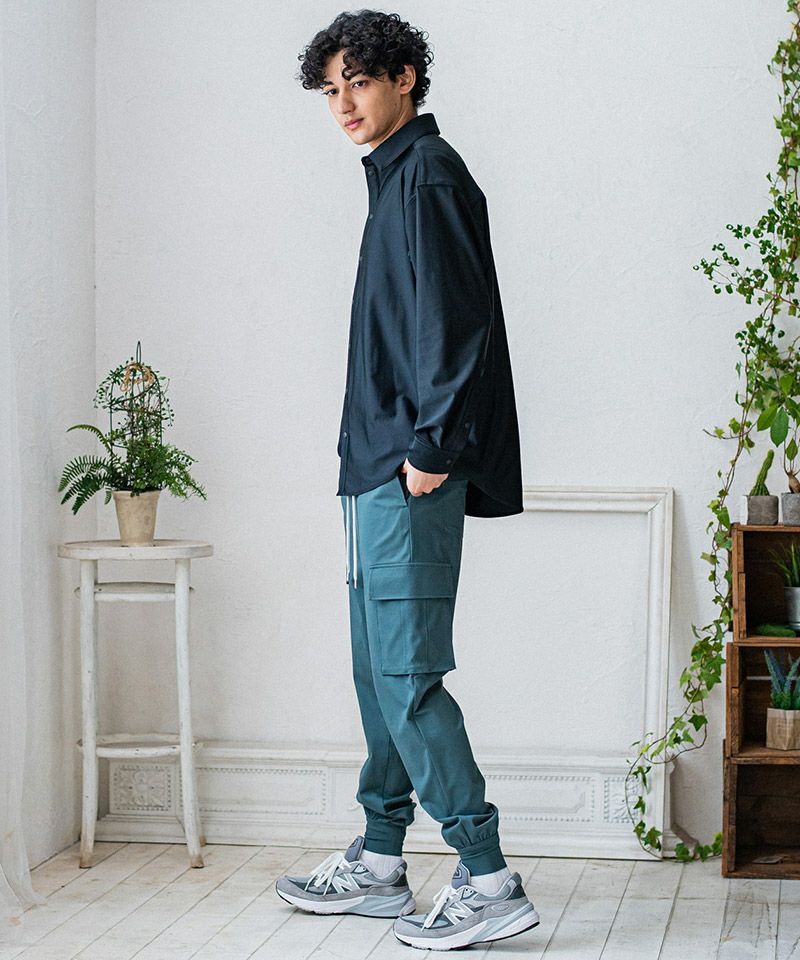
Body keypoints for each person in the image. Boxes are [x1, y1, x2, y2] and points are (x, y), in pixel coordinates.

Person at [278, 10, 539, 950]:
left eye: (360, 80)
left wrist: (432, 449)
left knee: (408, 675)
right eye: (332, 88)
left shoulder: (427, 174)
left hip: (408, 470)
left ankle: (489, 877)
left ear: (405, 79)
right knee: (375, 671)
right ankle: (382, 861)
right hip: (373, 470)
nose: (345, 103)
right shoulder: (392, 180)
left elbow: (456, 325)